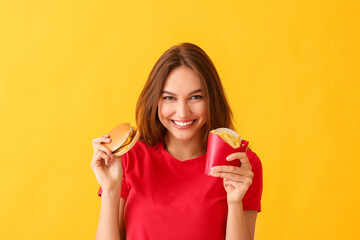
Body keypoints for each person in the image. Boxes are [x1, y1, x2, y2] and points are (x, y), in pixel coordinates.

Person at [90, 42, 263, 240]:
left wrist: (234, 203)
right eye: (170, 98)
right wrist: (111, 190)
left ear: (212, 100)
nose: (182, 112)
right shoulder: (129, 158)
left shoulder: (240, 165)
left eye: (195, 97)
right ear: (155, 101)